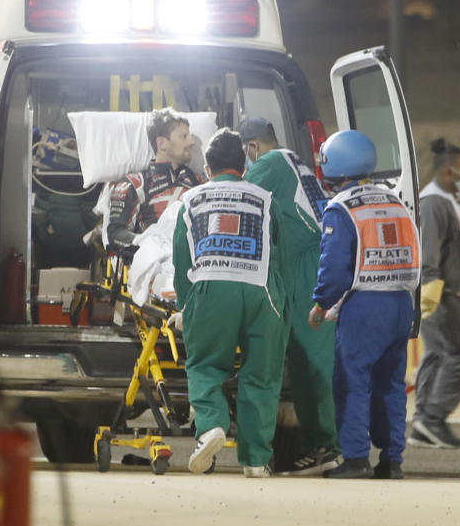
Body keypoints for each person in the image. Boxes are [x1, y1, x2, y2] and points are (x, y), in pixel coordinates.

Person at [173, 128, 288, 478]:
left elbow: (182, 263)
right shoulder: (266, 199)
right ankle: (255, 460)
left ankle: (210, 427)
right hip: (260, 292)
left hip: (211, 291)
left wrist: (185, 308)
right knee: (262, 376)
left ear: (207, 169)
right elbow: (278, 258)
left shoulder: (190, 201)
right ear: (245, 165)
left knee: (205, 365)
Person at [309, 130, 420, 479]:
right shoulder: (396, 200)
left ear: (336, 166)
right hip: (401, 302)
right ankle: (392, 459)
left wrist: (320, 305)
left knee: (352, 380)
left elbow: (335, 268)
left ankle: (356, 458)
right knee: (390, 383)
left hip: (365, 305)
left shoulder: (341, 209)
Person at [238, 117, 339, 475]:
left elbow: (232, 198)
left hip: (305, 264)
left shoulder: (268, 164)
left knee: (311, 359)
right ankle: (326, 443)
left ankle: (326, 445)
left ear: (251, 148)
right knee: (313, 356)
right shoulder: (295, 160)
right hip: (316, 257)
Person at [409, 138, 460, 449]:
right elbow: (430, 256)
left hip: (458, 294)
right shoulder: (434, 203)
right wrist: (434, 294)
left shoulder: (453, 201)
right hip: (449, 297)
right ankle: (432, 418)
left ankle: (424, 422)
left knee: (437, 355)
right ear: (449, 169)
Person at [108, 109, 202, 248]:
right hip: (153, 262)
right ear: (161, 143)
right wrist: (150, 244)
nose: (192, 142)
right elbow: (115, 234)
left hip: (193, 263)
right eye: (184, 136)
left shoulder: (200, 182)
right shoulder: (134, 183)